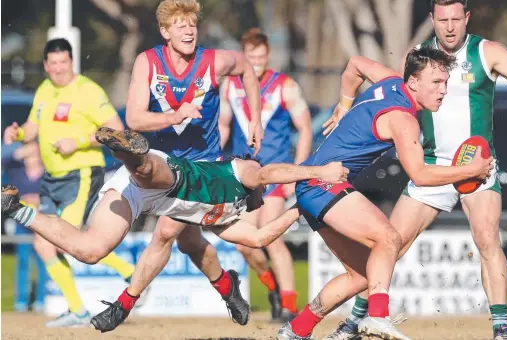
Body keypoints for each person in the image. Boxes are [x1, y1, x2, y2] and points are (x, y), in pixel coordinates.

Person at [1, 126, 349, 332]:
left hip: (160, 199)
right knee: (153, 176)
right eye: (264, 195)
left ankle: (14, 209)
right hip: (161, 177)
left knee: (90, 252)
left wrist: (299, 208)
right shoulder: (244, 173)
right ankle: (126, 150)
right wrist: (319, 174)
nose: (265, 196)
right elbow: (268, 174)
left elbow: (259, 237)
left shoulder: (231, 217)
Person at [324, 1, 507, 340]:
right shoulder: (417, 57)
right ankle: (354, 322)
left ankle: (501, 329)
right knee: (390, 243)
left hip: (476, 165)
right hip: (429, 168)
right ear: (432, 20)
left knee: (487, 238)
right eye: (443, 20)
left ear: (467, 18)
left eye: (457, 18)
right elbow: (395, 103)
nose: (451, 26)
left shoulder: (489, 53)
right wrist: (346, 109)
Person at [275, 47, 494, 340]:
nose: (443, 90)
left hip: (311, 183)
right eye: (436, 83)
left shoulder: (390, 81)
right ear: (413, 82)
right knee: (388, 238)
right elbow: (420, 175)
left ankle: (296, 330)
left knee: (363, 275)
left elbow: (354, 65)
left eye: (445, 82)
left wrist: (343, 104)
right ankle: (378, 316)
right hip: (322, 184)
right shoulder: (403, 119)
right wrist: (470, 171)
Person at [122, 0, 263, 326]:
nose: (188, 30)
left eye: (192, 24)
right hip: (170, 166)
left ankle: (125, 302)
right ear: (165, 31)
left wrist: (255, 120)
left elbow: (246, 68)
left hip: (205, 167)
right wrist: (175, 115)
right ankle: (228, 287)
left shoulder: (214, 61)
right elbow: (133, 118)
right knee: (189, 243)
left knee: (165, 232)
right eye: (180, 25)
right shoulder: (149, 62)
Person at [2, 38, 137, 327]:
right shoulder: (44, 89)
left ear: (72, 62)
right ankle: (77, 310)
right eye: (53, 64)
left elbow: (118, 129)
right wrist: (19, 133)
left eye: (64, 63)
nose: (59, 69)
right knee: (44, 244)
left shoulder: (88, 90)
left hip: (82, 174)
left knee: (65, 241)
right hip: (52, 178)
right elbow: (32, 126)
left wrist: (77, 142)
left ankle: (130, 272)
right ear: (46, 65)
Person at [219, 28, 312, 322]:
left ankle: (288, 304)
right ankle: (271, 287)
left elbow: (306, 129)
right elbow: (223, 125)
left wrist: (296, 174)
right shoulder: (230, 86)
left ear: (268, 55)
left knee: (272, 238)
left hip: (274, 173)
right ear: (242, 57)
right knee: (242, 243)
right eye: (251, 58)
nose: (256, 63)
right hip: (242, 173)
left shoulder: (285, 86)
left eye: (261, 57)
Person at [1, 141, 48, 312]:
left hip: (43, 223)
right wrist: (15, 153)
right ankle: (20, 301)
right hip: (21, 223)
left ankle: (41, 300)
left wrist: (39, 199)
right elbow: (2, 161)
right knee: (22, 261)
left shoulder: (48, 173)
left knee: (44, 261)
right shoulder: (16, 171)